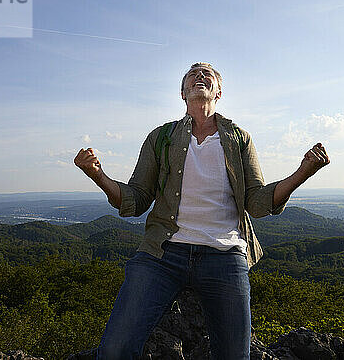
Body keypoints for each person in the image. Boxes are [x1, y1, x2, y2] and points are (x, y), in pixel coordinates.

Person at [74, 62, 330, 359]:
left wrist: (304, 171)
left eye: (207, 74)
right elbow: (136, 198)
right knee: (115, 349)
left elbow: (257, 202)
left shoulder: (238, 138)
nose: (200, 75)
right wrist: (98, 176)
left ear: (218, 92)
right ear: (183, 93)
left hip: (224, 255)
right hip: (162, 254)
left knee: (234, 355)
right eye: (193, 75)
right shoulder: (161, 138)